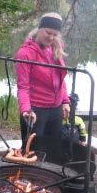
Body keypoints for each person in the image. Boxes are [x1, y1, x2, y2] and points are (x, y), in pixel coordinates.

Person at [15, 12, 71, 149]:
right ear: (39, 29)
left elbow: (60, 79)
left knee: (53, 151)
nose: (51, 37)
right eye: (48, 32)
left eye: (55, 34)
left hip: (56, 110)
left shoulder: (56, 48)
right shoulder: (25, 53)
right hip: (36, 111)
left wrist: (65, 101)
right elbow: (23, 87)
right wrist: (26, 110)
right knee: (32, 150)